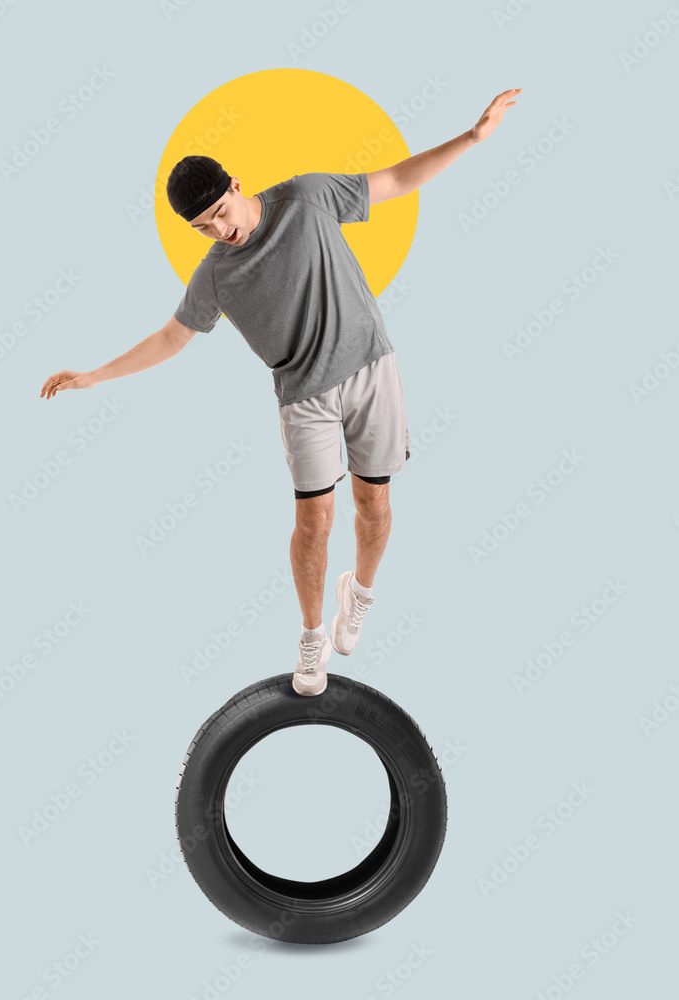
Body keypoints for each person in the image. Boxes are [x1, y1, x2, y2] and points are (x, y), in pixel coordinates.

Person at [40, 88, 522, 698]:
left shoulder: (307, 196)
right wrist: (92, 376)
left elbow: (397, 178)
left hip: (371, 366)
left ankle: (361, 593)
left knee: (374, 506)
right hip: (303, 396)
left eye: (220, 211)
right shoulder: (216, 273)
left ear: (237, 186)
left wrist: (472, 138)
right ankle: (312, 635)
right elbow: (170, 338)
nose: (220, 228)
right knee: (314, 521)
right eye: (203, 225)